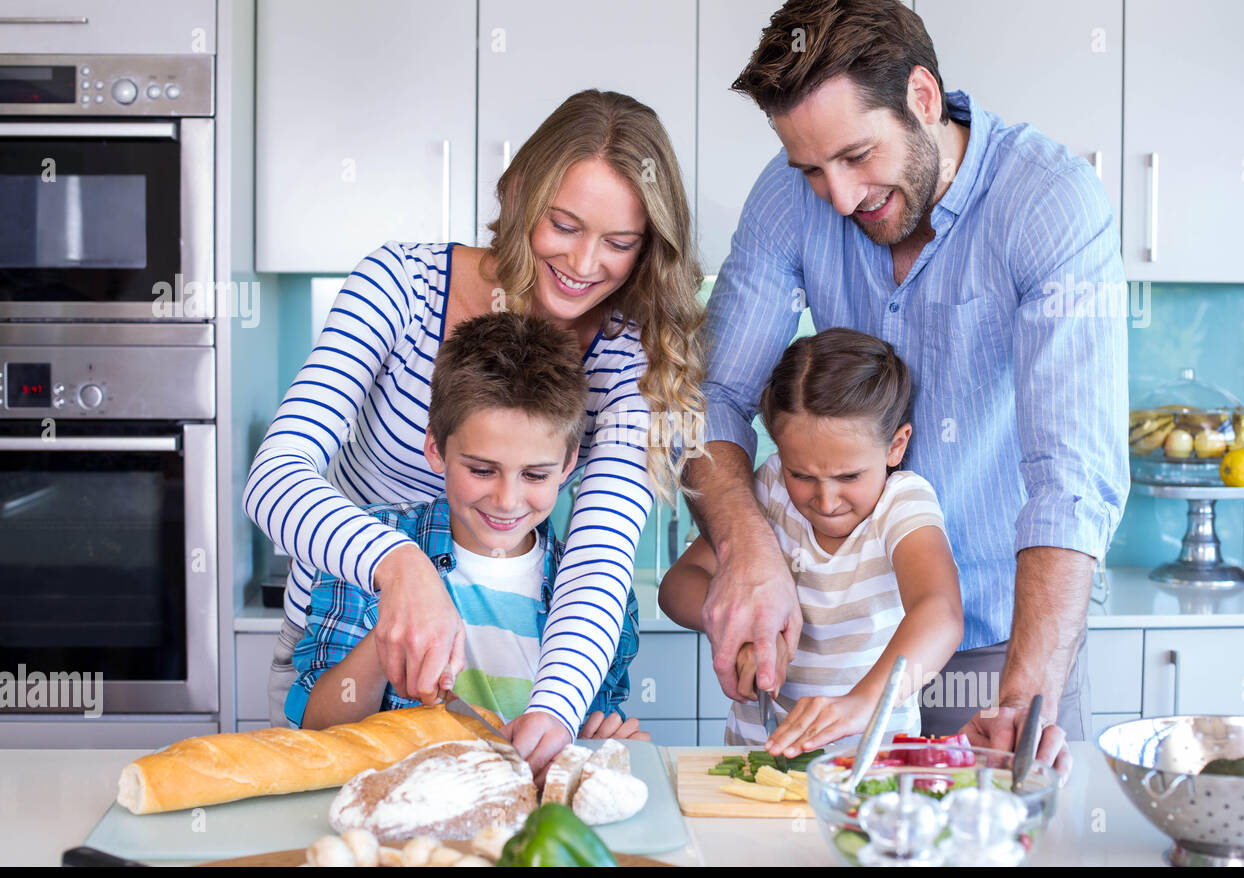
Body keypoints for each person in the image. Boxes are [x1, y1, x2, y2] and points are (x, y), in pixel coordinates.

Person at [688, 0, 1128, 777]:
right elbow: (713, 397)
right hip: (836, 654)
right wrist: (749, 552)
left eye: (858, 156)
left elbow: (1071, 475)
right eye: (812, 169)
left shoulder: (1048, 203)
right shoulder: (788, 199)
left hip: (997, 641)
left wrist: (1025, 686)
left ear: (923, 98)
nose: (839, 196)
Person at [243, 90, 706, 779]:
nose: (584, 263)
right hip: (349, 637)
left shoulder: (628, 355)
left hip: (519, 672)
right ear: (519, 193)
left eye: (618, 243)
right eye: (564, 224)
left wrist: (552, 712)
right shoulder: (400, 283)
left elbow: (601, 557)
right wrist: (399, 567)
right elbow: (275, 479)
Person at [292, 314, 648, 761]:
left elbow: (577, 741)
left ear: (569, 463)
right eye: (482, 470)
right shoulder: (370, 550)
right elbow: (319, 729)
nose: (506, 499)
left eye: (535, 474)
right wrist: (388, 640)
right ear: (436, 450)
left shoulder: (599, 595)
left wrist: (604, 749)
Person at [659, 329, 962, 754]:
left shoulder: (903, 503)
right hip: (755, 756)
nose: (825, 500)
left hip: (870, 763)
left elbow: (941, 613)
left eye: (849, 476)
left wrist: (860, 705)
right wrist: (746, 632)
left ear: (895, 446)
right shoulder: (769, 491)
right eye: (801, 474)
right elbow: (676, 587)